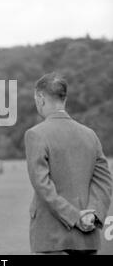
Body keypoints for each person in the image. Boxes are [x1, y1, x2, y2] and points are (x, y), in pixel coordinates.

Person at [24, 72, 112, 255]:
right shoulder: (90, 135)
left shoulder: (36, 134)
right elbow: (104, 181)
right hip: (87, 238)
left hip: (51, 237)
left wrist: (74, 217)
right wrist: (92, 215)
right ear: (64, 98)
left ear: (40, 98)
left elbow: (42, 185)